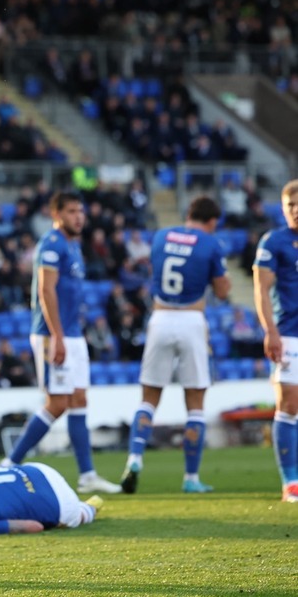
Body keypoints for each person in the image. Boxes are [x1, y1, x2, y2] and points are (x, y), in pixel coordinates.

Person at [0, 192, 121, 494]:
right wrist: (57, 336)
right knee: (57, 403)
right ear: (56, 215)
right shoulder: (51, 245)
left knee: (79, 400)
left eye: (81, 211)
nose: (78, 216)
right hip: (53, 334)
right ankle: (10, 463)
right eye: (71, 211)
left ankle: (87, 475)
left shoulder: (73, 246)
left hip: (73, 334)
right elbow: (46, 291)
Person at [120, 196, 230, 495]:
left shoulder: (160, 236)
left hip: (160, 319)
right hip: (191, 320)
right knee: (195, 403)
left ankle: (134, 459)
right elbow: (222, 292)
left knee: (148, 399)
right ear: (211, 222)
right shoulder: (210, 244)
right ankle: (191, 478)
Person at [253, 179, 298, 503]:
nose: (295, 211)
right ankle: (290, 483)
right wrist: (270, 330)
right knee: (288, 406)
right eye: (289, 206)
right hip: (290, 335)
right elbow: (261, 290)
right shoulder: (274, 241)